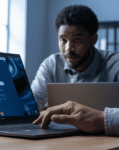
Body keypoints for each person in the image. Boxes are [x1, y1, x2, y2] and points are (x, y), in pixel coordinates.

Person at [31, 5, 119, 136]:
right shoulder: (51, 64)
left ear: (93, 39)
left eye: (77, 40)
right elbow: (30, 106)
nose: (68, 48)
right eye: (63, 40)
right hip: (61, 139)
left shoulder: (116, 64)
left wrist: (100, 119)